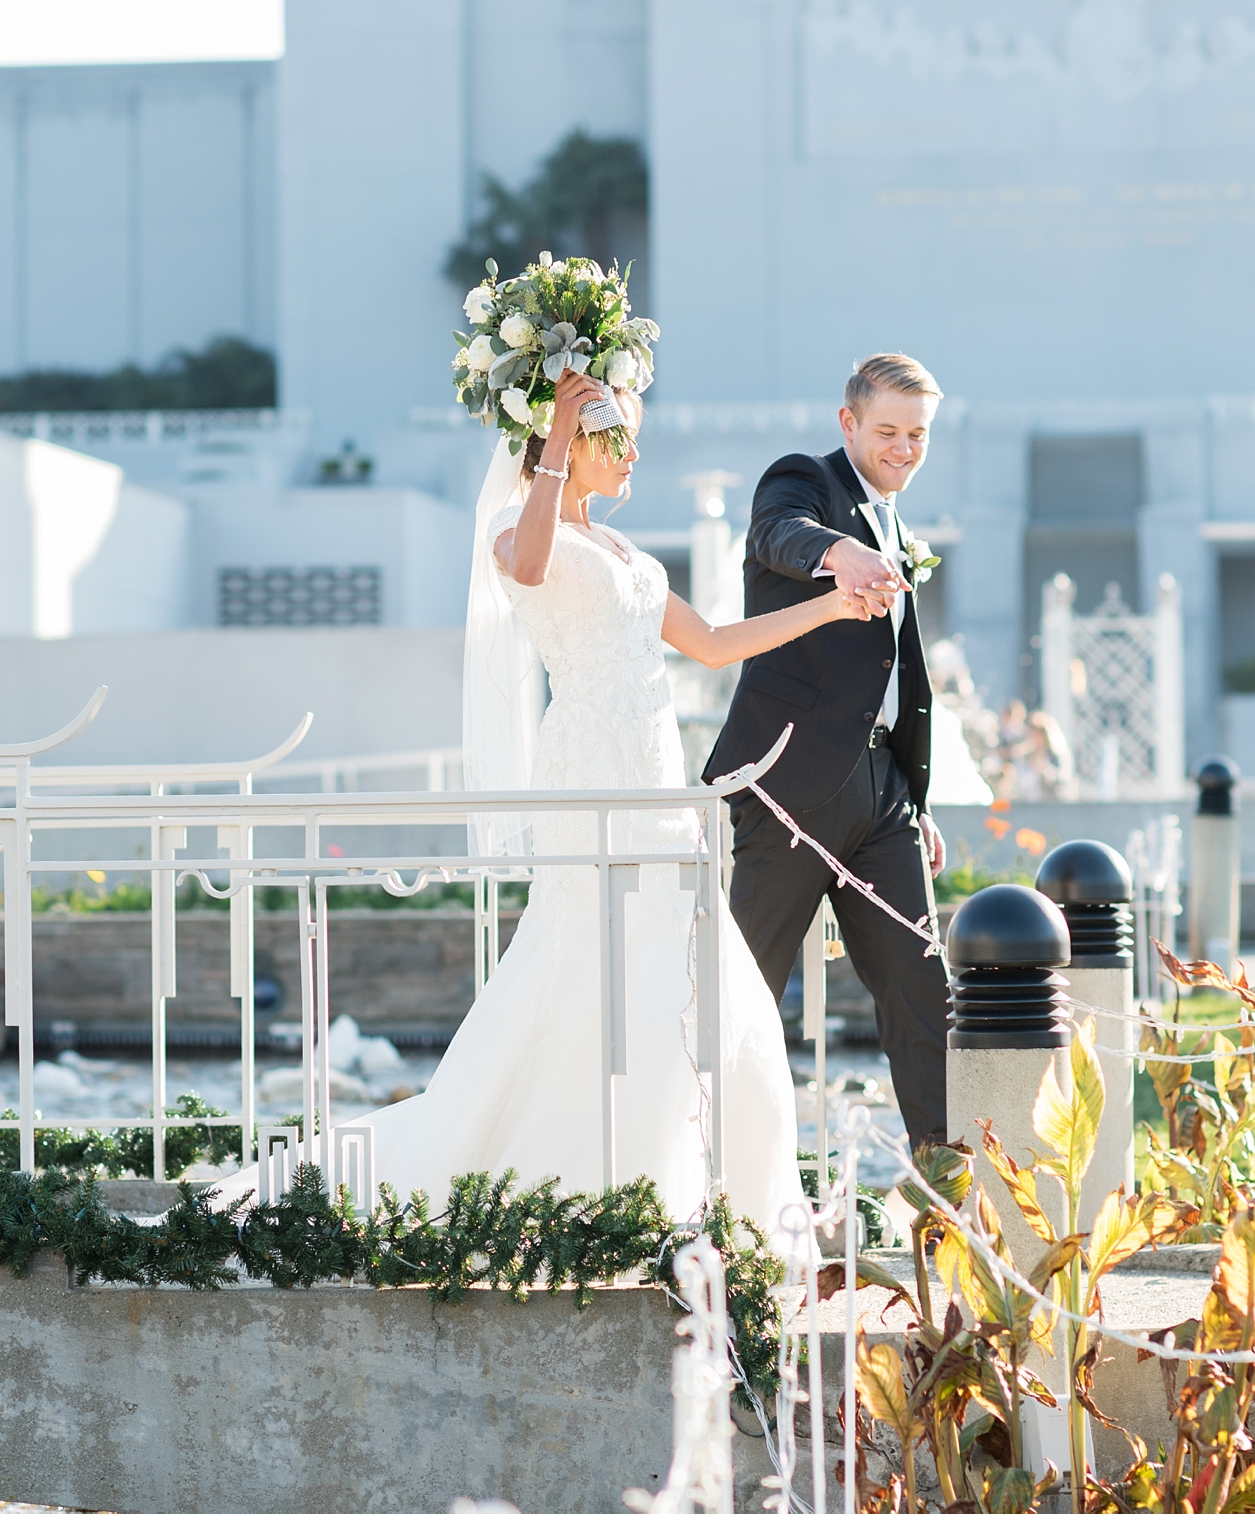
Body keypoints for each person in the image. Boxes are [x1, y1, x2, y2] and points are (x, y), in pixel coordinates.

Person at [209, 369, 887, 1235]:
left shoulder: (630, 555)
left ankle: (698, 1201)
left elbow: (715, 645)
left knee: (697, 984)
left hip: (656, 784)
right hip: (591, 775)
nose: (636, 452)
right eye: (621, 434)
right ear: (571, 435)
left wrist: (834, 605)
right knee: (593, 972)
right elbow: (527, 566)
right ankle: (580, 1193)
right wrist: (558, 437)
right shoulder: (516, 530)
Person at [703, 353, 952, 1148]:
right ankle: (697, 1175)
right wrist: (840, 553)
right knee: (743, 993)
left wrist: (915, 798)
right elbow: (779, 535)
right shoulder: (802, 480)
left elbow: (895, 676)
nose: (904, 448)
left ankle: (947, 1196)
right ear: (849, 423)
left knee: (922, 989)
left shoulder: (897, 523)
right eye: (887, 431)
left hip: (884, 799)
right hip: (787, 788)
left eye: (917, 435)